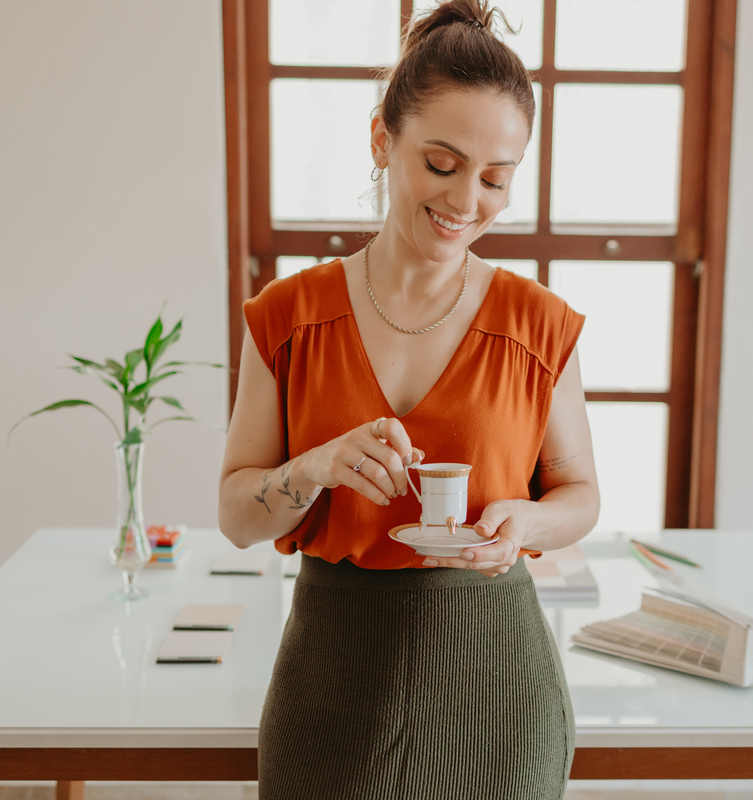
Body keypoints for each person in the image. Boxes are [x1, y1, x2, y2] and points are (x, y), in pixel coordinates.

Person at [218, 1, 599, 796]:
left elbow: (580, 495)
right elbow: (237, 516)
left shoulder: (539, 324)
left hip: (496, 679)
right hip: (332, 672)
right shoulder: (286, 317)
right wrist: (314, 467)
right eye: (442, 163)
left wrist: (526, 522)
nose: (467, 200)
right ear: (381, 141)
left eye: (497, 178)